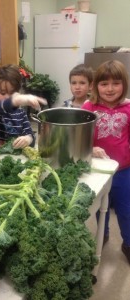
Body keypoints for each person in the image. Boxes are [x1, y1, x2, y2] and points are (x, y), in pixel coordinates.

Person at [81, 60, 130, 264]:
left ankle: (128, 243)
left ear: (124, 84)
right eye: (104, 84)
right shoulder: (88, 107)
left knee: (126, 209)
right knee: (102, 207)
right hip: (97, 170)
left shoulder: (129, 108)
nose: (110, 89)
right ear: (95, 86)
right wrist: (90, 149)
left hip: (123, 170)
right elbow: (80, 138)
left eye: (116, 83)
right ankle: (104, 234)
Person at [0, 64, 47, 151]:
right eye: (3, 93)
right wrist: (14, 100)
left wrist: (28, 139)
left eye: (12, 93)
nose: (8, 97)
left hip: (12, 158)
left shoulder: (21, 114)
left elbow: (30, 135)